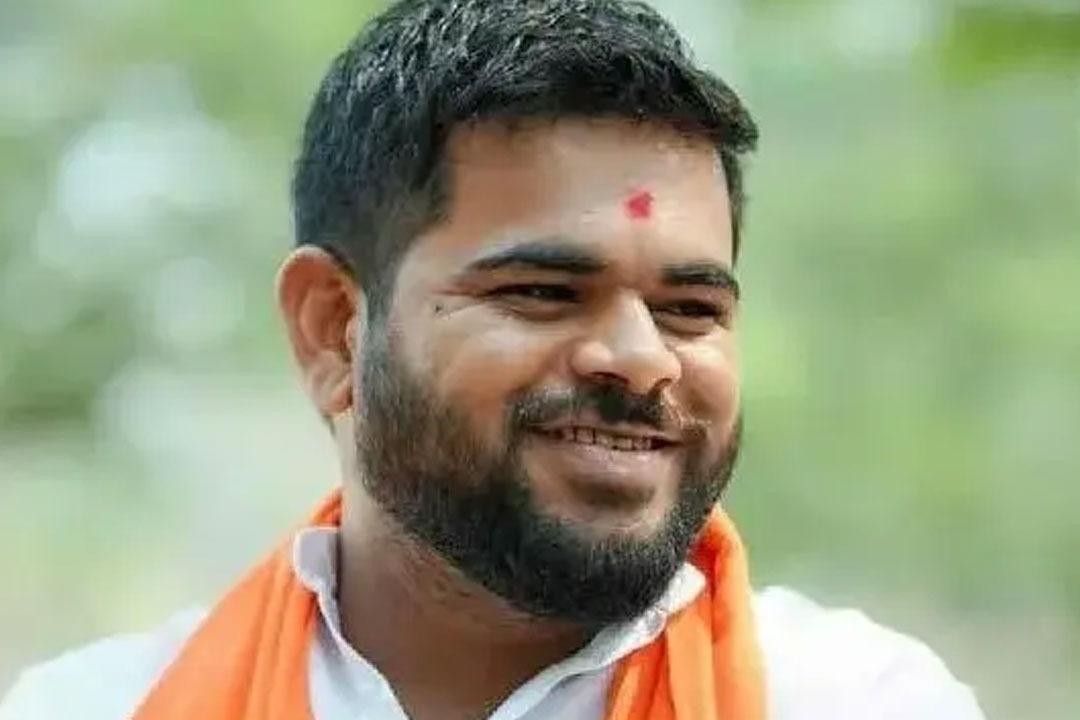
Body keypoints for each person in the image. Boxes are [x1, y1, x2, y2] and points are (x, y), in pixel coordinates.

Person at [0, 1, 987, 718]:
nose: (642, 359)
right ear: (333, 329)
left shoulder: (848, 699)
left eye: (689, 309)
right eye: (543, 292)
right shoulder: (97, 708)